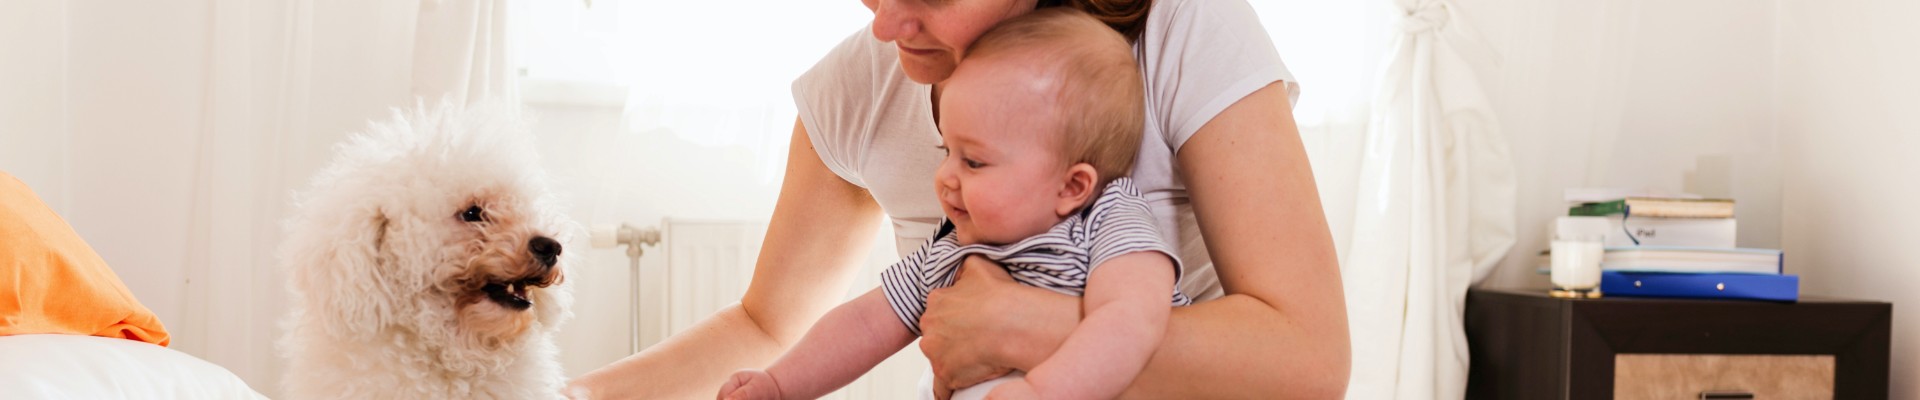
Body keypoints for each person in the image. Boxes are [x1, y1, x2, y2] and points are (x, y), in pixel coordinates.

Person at [568, 0, 1350, 398]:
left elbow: (1309, 360)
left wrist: (1024, 328)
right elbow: (767, 323)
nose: (886, 26)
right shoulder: (865, 81)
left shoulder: (1181, 29)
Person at [716, 9, 1182, 400]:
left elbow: (1132, 321)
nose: (945, 177)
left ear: (1072, 187)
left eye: (974, 162)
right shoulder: (955, 245)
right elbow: (867, 324)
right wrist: (779, 384)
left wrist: (1047, 389)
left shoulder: (1107, 221)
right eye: (947, 152)